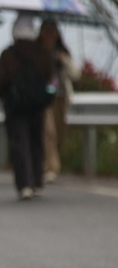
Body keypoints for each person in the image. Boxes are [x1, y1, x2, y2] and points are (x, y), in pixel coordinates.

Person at [0, 13, 54, 200]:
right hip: (37, 105)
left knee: (20, 143)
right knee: (36, 142)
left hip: (15, 105)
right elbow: (50, 77)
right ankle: (37, 181)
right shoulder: (42, 53)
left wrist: (5, 93)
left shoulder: (8, 54)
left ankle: (25, 184)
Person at [38, 20, 80, 184]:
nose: (50, 35)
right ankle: (51, 167)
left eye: (53, 32)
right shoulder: (38, 51)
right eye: (47, 32)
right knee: (49, 133)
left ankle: (46, 161)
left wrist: (63, 61)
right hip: (44, 98)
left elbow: (76, 75)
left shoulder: (62, 52)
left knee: (59, 133)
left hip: (61, 97)